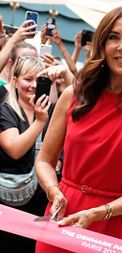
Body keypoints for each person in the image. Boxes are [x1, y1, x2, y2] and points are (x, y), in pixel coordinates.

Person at [34, 5, 122, 252]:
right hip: (62, 214)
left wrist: (101, 212)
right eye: (113, 37)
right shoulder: (72, 96)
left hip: (113, 223)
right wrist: (54, 191)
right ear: (102, 45)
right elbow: (44, 159)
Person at [0, 56, 50, 253]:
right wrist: (39, 122)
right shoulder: (6, 110)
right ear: (15, 81)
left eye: (39, 80)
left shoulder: (49, 109)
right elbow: (14, 149)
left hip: (38, 200)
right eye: (28, 79)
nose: (33, 85)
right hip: (7, 198)